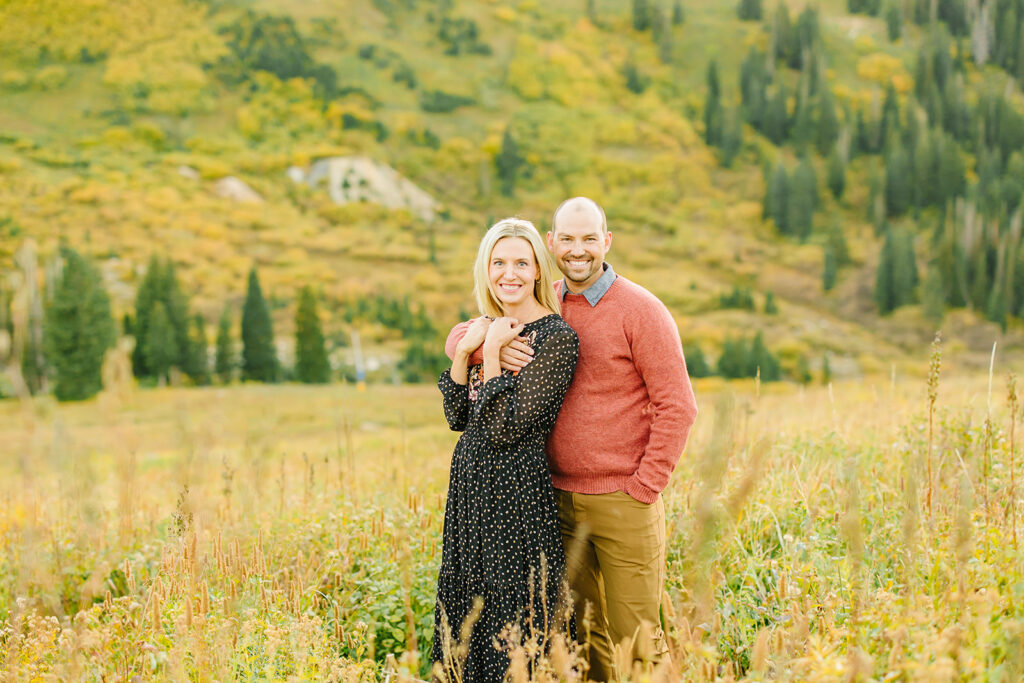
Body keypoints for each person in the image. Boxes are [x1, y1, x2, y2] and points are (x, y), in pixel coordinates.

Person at [445, 198, 698, 681]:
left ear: (606, 242)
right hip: (553, 499)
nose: (578, 249)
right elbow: (461, 333)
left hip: (625, 500)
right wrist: (476, 346)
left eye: (589, 239)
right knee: (582, 635)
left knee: (638, 639)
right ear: (551, 243)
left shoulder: (640, 310)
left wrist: (646, 484)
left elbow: (678, 406)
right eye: (567, 239)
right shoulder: (545, 297)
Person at [432, 218, 580, 682]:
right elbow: (458, 416)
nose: (509, 273)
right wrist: (466, 354)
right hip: (470, 491)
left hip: (515, 492)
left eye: (521, 262)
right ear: (485, 268)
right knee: (466, 608)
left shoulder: (557, 340)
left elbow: (503, 427)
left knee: (512, 613)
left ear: (539, 269)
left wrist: (492, 352)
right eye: (498, 262)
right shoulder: (481, 329)